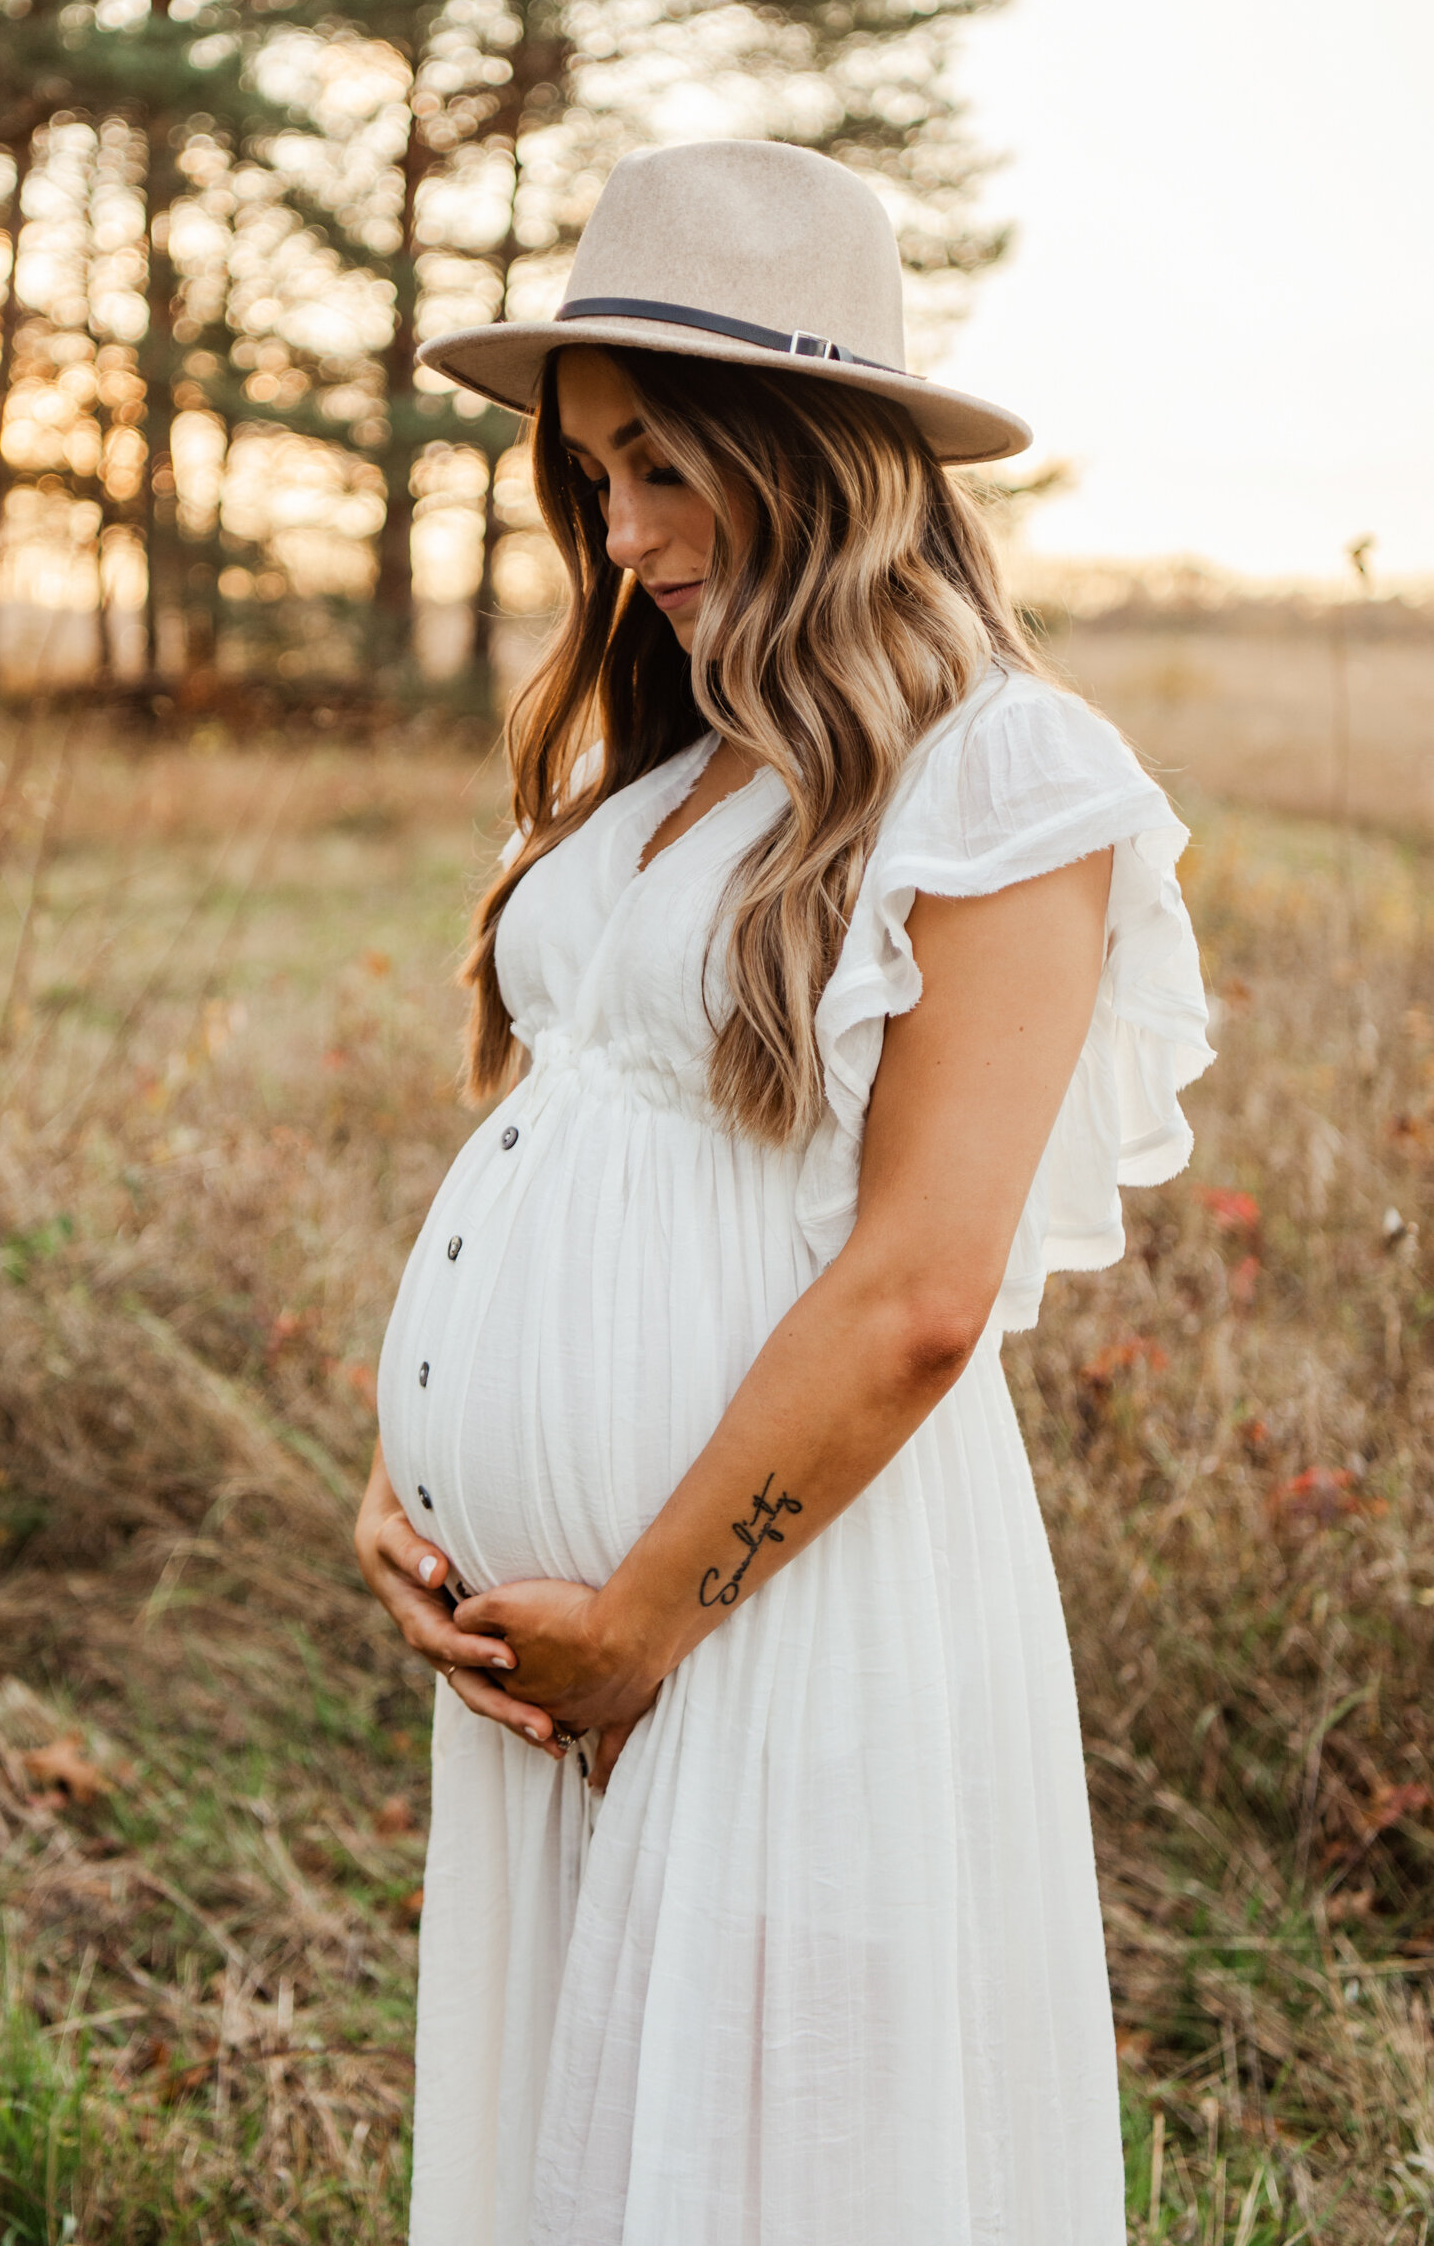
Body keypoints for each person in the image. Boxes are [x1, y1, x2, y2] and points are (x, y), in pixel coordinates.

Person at [353, 139, 1211, 2246]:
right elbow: (574, 1145)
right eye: (592, 479)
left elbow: (923, 1283)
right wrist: (409, 1478)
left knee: (780, 2170)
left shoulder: (1004, 773)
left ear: (813, 450)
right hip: (566, 1642)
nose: (622, 533)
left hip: (759, 1625)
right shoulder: (684, 762)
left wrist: (638, 1624)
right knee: (602, 2144)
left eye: (662, 467)